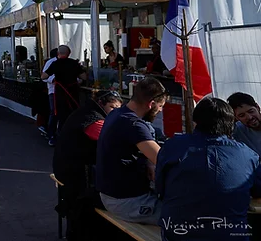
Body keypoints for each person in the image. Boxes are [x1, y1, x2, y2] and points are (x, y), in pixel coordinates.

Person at [156, 97, 261, 240]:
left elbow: (160, 188)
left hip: (178, 233)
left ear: (195, 122)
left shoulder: (172, 146)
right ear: (232, 123)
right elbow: (257, 191)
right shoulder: (249, 155)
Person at [52, 91, 122, 241]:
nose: (115, 112)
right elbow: (113, 140)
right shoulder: (94, 119)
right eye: (112, 107)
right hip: (74, 174)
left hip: (67, 169)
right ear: (102, 104)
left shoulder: (86, 112)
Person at [96, 77, 166, 225]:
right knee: (186, 216)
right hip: (125, 201)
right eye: (160, 106)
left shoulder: (117, 114)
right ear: (151, 104)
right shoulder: (133, 124)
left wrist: (148, 162)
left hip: (111, 194)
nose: (160, 111)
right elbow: (164, 160)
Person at [42, 45, 87, 140]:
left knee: (60, 115)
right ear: (69, 53)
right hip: (72, 93)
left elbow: (43, 76)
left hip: (60, 93)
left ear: (58, 53)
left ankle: (57, 136)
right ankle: (72, 136)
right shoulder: (74, 63)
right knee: (73, 114)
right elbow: (84, 77)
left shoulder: (55, 64)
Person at [41, 48, 59, 143]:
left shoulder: (67, 62)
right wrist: (53, 79)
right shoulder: (51, 62)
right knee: (54, 112)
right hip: (53, 91)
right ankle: (51, 133)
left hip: (64, 92)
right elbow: (44, 77)